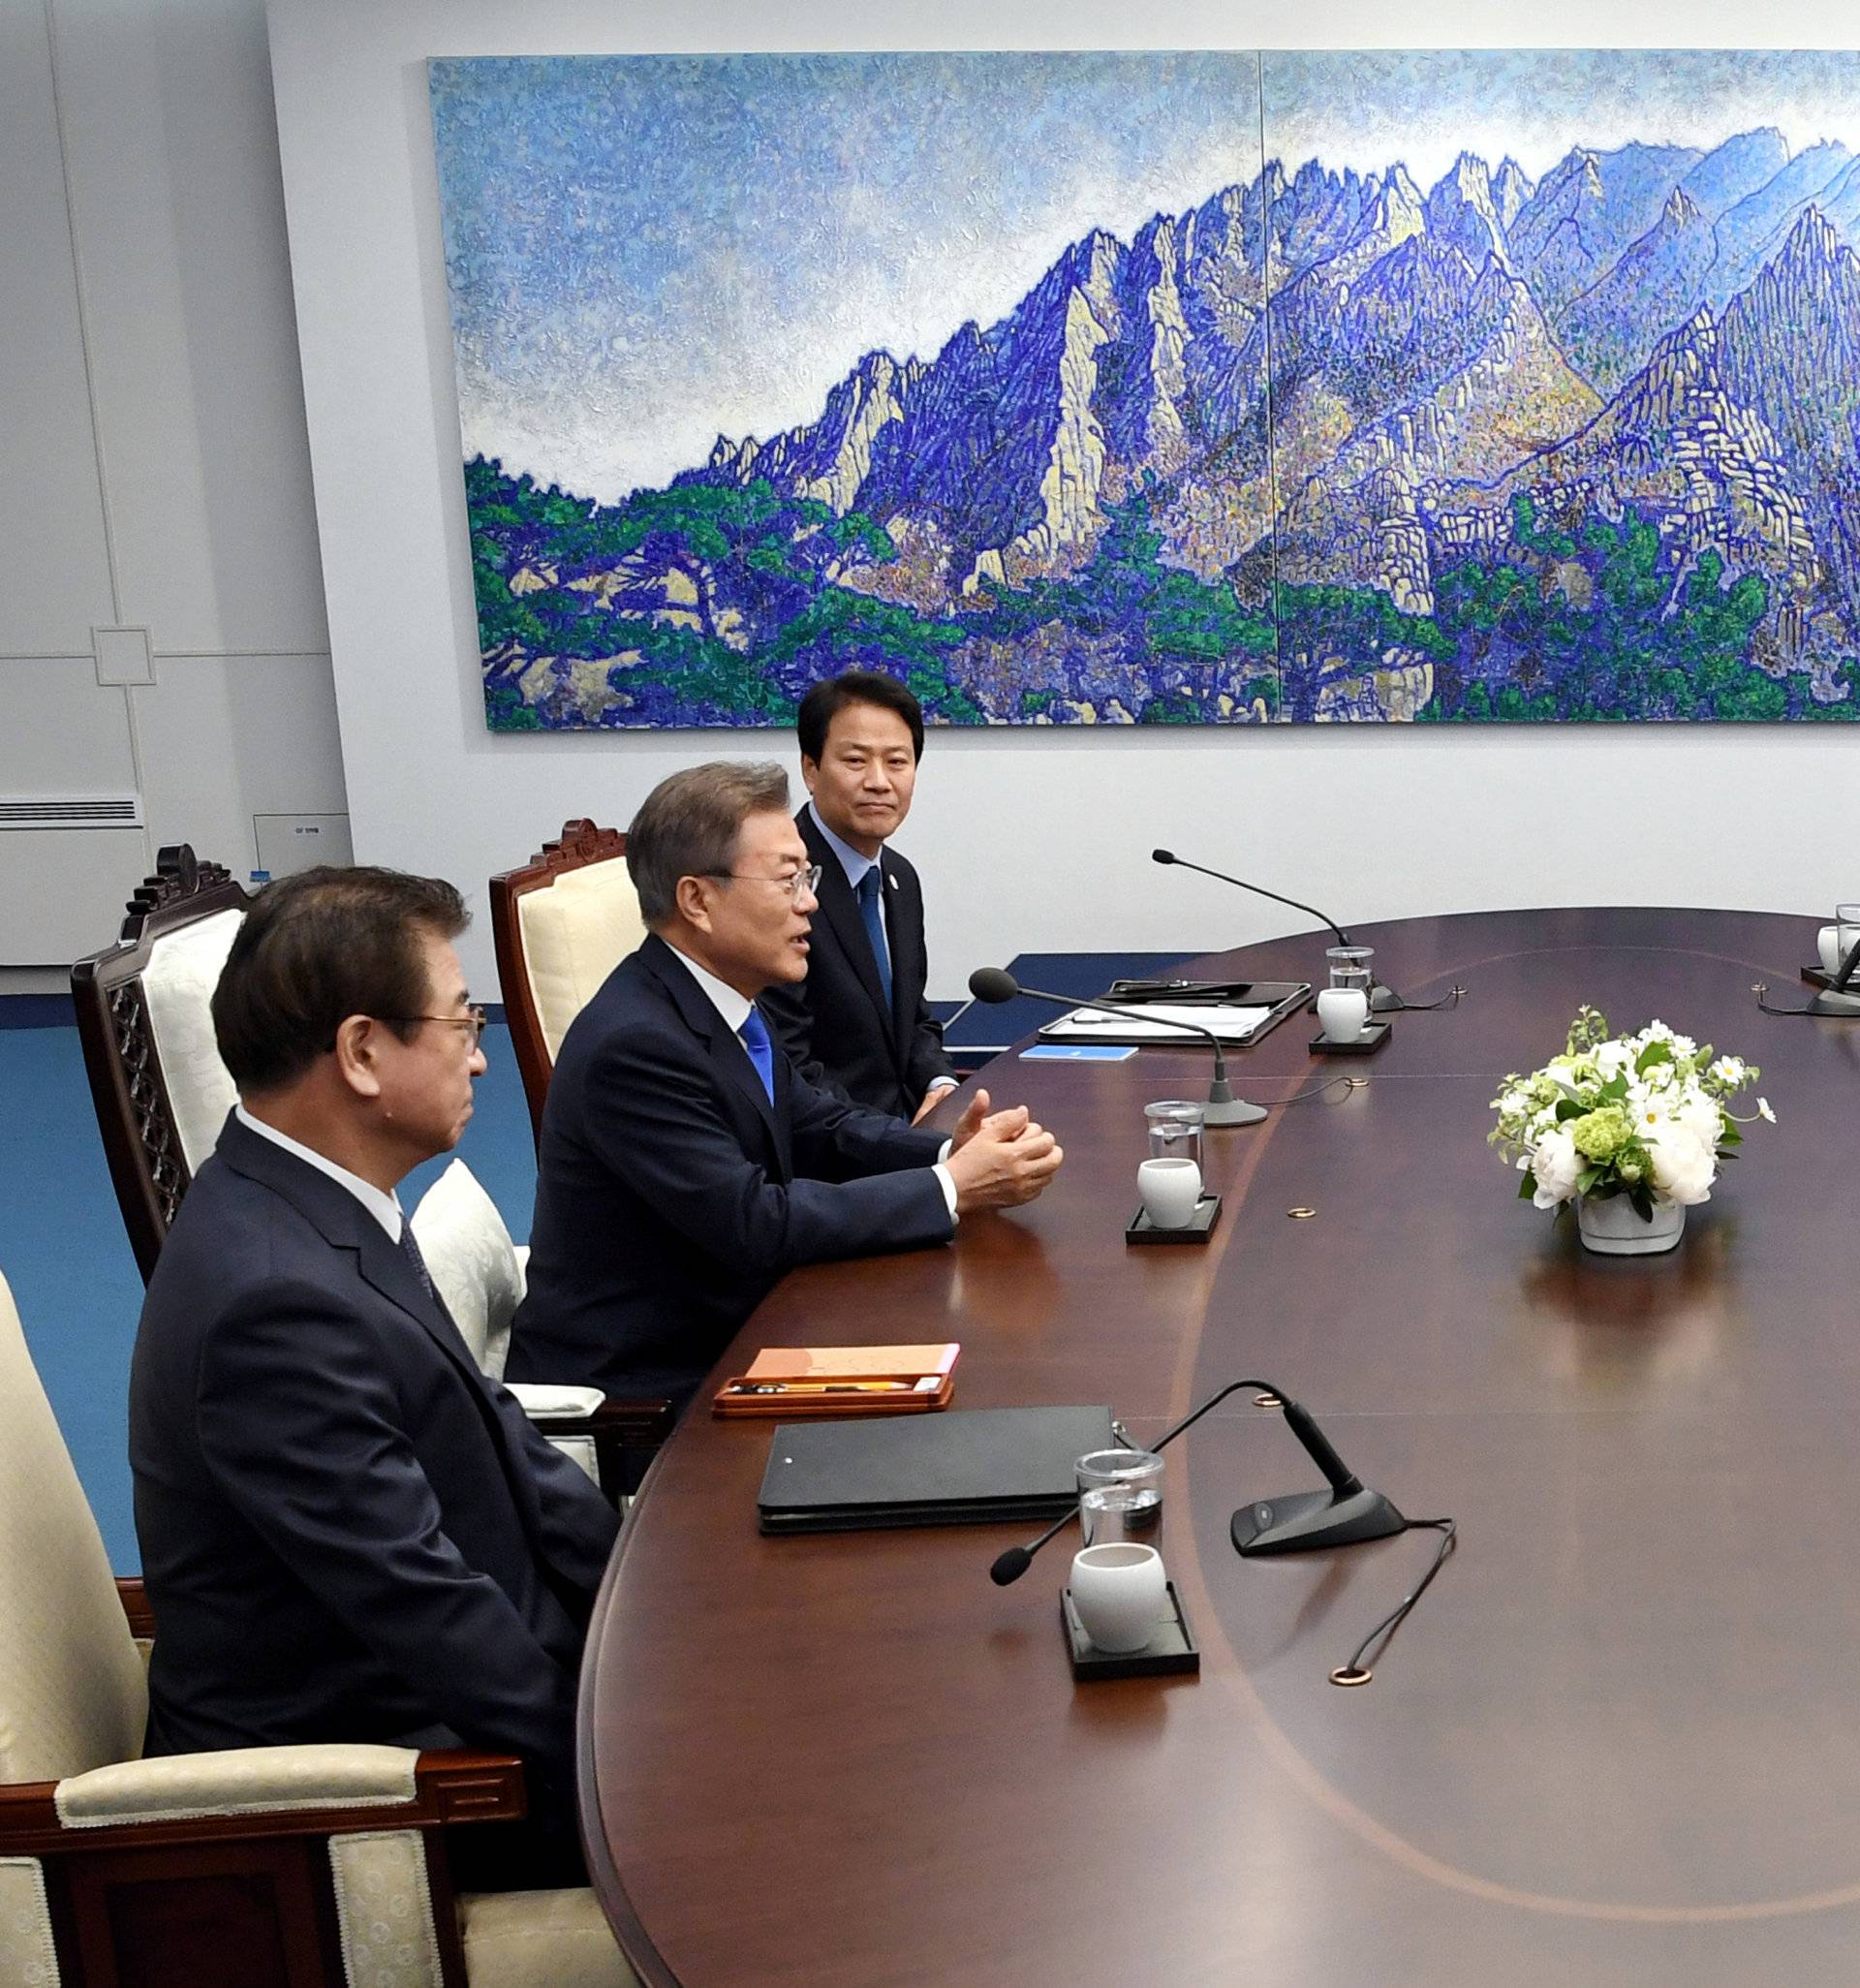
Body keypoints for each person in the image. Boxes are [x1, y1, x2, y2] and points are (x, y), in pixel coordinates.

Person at [129, 867, 618, 1891]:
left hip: (466, 1697)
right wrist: (629, 1743)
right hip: (376, 1791)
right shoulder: (270, 1300)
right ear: (360, 1052)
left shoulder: (319, 1201)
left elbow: (505, 1446)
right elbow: (425, 1611)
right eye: (461, 1024)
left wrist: (651, 1606)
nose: (481, 1059)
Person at [510, 761, 1062, 1412]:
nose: (811, 902)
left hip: (747, 1325)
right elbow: (754, 1223)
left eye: (809, 877)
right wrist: (952, 1188)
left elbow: (817, 1124)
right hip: (656, 1391)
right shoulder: (635, 1045)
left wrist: (945, 1153)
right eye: (788, 881)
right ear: (696, 900)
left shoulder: (721, 997)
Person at [760, 669, 957, 1120]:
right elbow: (787, 1061)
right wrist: (902, 1147)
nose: (879, 781)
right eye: (855, 761)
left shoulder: (898, 877)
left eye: (897, 762)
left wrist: (941, 1085)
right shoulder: (779, 882)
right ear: (811, 769)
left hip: (902, 1133)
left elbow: (914, 1021)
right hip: (829, 1152)